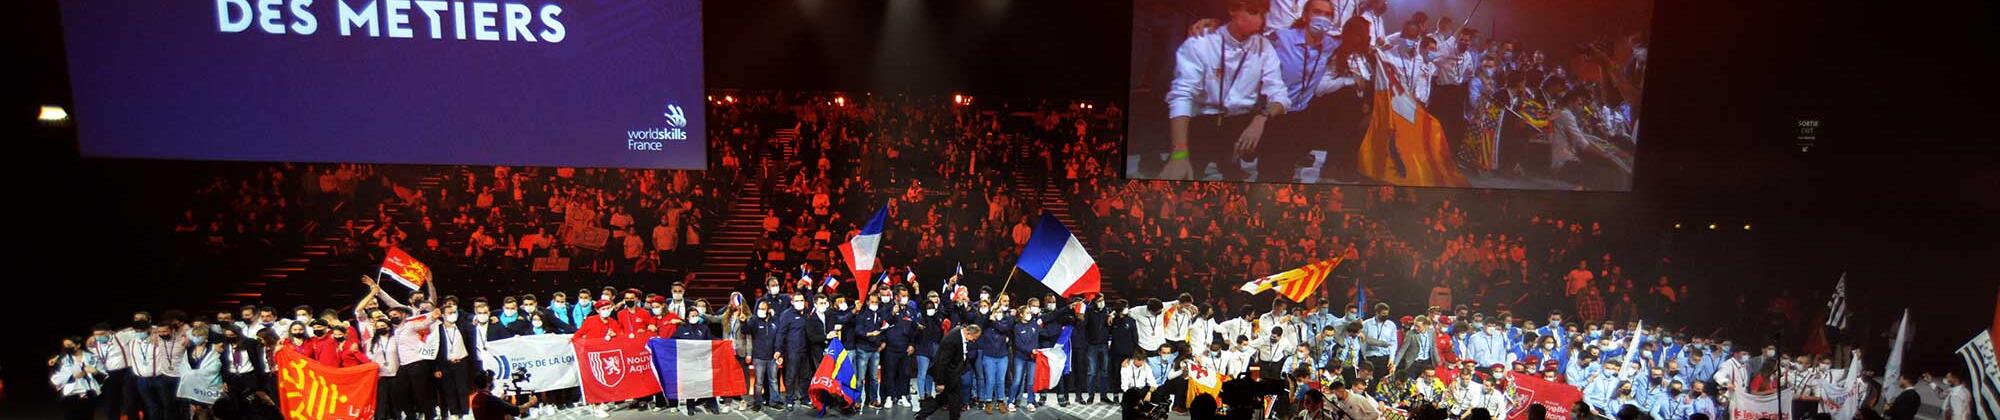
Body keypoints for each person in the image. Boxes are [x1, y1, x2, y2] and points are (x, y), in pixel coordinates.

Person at [1157, 0, 1292, 181]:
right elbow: (1182, 95)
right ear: (1232, 10)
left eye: (1263, 14)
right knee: (1183, 182)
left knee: (1281, 127)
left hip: (1240, 121)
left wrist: (1261, 118)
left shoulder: (1264, 46)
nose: (1260, 20)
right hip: (1203, 121)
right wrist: (1179, 154)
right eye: (1253, 12)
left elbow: (1280, 94)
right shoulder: (1202, 41)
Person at [914, 324, 982, 420]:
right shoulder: (952, 340)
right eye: (974, 338)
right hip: (948, 374)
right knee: (955, 400)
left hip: (954, 373)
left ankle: (921, 415)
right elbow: (943, 362)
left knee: (943, 398)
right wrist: (940, 382)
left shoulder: (961, 332)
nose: (973, 341)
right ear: (968, 333)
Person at [51, 336, 105, 420]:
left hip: (89, 394)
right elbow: (55, 378)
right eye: (64, 345)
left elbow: (104, 375)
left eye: (69, 345)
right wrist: (71, 376)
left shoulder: (92, 357)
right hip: (70, 395)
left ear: (78, 345)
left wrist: (95, 372)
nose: (66, 348)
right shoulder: (62, 359)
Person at [470, 370, 539, 420]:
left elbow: (489, 409)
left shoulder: (476, 399)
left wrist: (500, 400)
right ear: (488, 383)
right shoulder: (491, 399)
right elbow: (518, 410)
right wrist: (531, 402)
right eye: (493, 380)